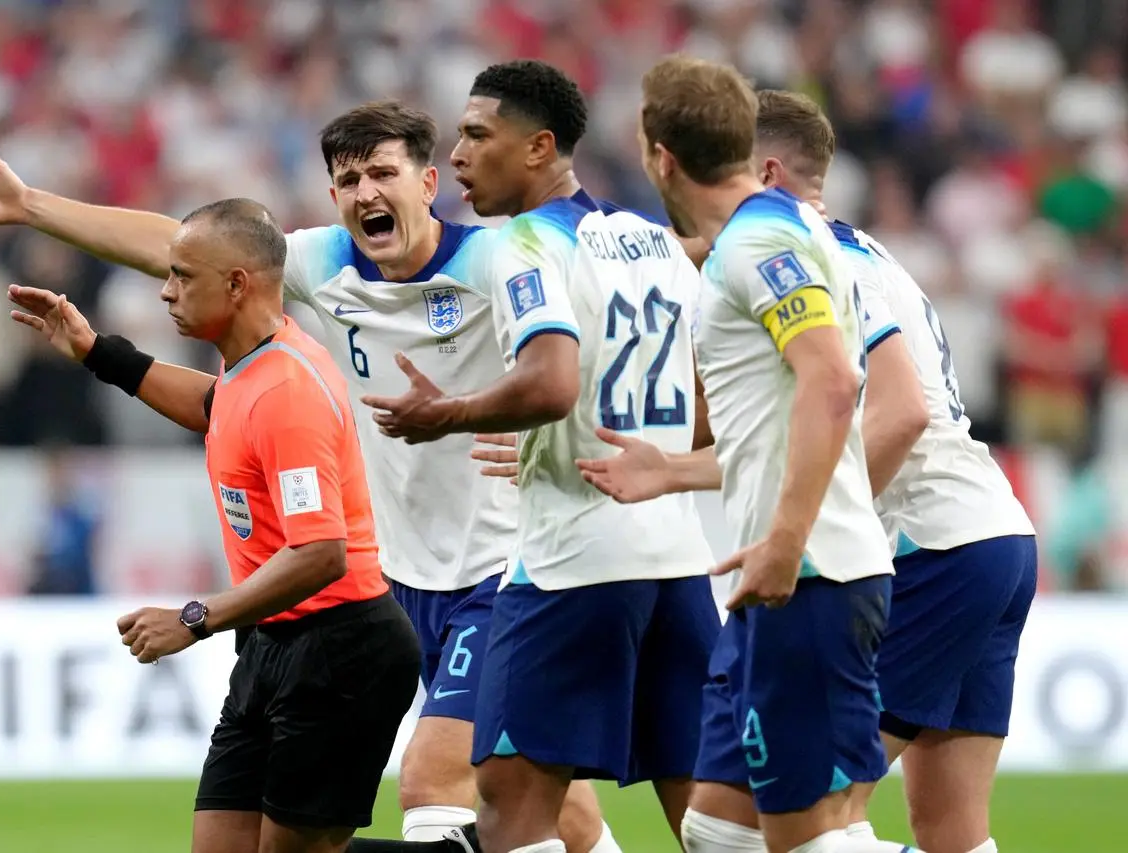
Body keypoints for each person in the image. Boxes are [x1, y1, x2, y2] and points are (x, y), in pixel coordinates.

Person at [0, 103, 617, 853]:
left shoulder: (496, 262)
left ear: (427, 182)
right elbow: (179, 247)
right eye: (348, 179)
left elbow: (609, 334)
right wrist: (31, 207)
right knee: (546, 797)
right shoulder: (320, 264)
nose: (366, 192)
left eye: (384, 172)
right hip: (402, 576)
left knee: (432, 777)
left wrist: (570, 440)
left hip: (502, 569)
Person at [578, 88, 1037, 853]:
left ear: (762, 167)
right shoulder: (853, 249)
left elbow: (895, 411)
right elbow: (802, 433)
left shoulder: (809, 253)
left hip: (928, 551)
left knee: (755, 826)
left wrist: (813, 530)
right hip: (988, 538)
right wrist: (677, 469)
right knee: (947, 831)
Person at [361, 59, 720, 853]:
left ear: (539, 148)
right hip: (676, 558)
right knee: (710, 820)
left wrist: (447, 414)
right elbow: (702, 414)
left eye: (477, 135)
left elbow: (551, 382)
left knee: (511, 805)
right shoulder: (649, 238)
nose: (456, 154)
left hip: (571, 562)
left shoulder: (523, 242)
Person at [6, 197, 421, 853]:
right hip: (271, 642)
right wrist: (95, 351)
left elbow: (320, 553)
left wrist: (195, 617)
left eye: (181, 276)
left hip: (341, 650)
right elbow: (216, 407)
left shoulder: (289, 390)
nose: (167, 292)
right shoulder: (247, 365)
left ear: (236, 284)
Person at [630, 57, 918, 853]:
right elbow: (770, 418)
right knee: (717, 828)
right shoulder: (754, 237)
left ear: (661, 156)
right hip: (777, 579)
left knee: (807, 837)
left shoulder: (760, 242)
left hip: (811, 573)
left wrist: (788, 540)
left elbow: (832, 379)